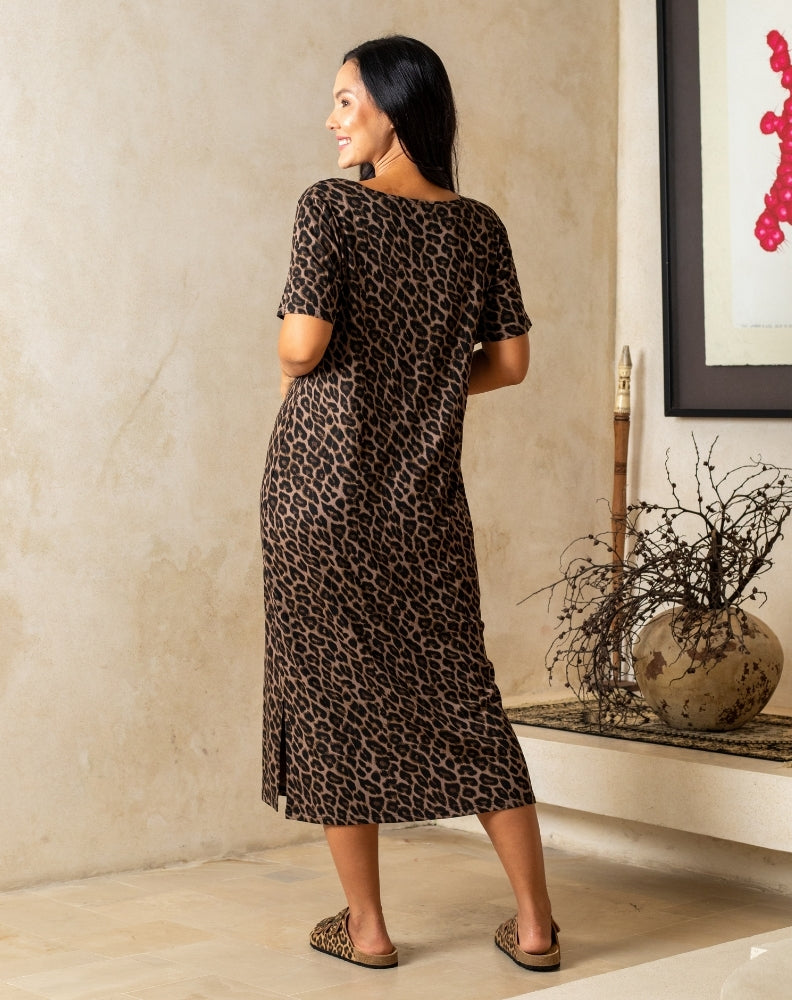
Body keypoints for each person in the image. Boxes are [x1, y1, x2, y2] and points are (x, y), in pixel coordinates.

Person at [260, 35, 558, 973]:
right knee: (467, 700)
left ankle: (369, 931)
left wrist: (295, 353)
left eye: (345, 101)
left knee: (331, 698)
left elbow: (304, 346)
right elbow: (507, 363)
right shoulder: (480, 226)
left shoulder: (331, 210)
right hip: (424, 506)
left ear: (393, 109)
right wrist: (422, 378)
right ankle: (537, 927)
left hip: (319, 495)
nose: (331, 119)